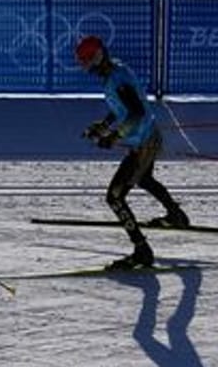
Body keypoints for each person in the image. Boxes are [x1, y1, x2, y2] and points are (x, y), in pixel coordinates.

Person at [75, 35, 190, 271]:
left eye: (86, 62)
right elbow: (123, 109)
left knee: (115, 197)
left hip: (143, 144)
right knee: (144, 179)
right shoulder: (114, 72)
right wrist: (104, 126)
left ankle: (142, 251)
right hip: (147, 138)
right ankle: (176, 215)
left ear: (96, 58)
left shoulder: (115, 79)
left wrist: (114, 137)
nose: (85, 68)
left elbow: (135, 112)